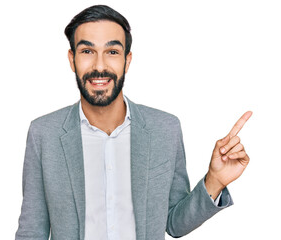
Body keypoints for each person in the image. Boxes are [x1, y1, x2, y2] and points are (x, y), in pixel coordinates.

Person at [15, 5, 252, 240]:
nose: (99, 66)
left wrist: (214, 181)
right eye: (87, 51)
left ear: (127, 60)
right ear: (72, 59)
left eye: (112, 52)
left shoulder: (165, 129)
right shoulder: (44, 133)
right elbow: (31, 231)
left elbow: (174, 223)